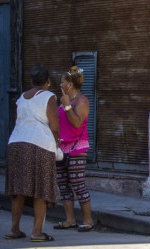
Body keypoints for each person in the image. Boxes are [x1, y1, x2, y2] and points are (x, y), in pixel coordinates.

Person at [4, 64, 59, 242]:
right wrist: (56, 143)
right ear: (48, 81)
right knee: (40, 190)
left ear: (32, 80)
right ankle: (37, 233)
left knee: (19, 189)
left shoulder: (21, 97)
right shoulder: (49, 97)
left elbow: (18, 121)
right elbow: (55, 126)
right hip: (39, 145)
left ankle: (14, 229)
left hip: (16, 144)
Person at [53, 66, 94, 232]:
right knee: (63, 185)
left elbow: (77, 123)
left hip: (76, 149)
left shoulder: (81, 101)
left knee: (78, 184)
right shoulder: (64, 100)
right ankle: (69, 220)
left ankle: (88, 221)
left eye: (62, 81)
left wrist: (67, 106)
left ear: (69, 84)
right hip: (62, 148)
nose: (60, 84)